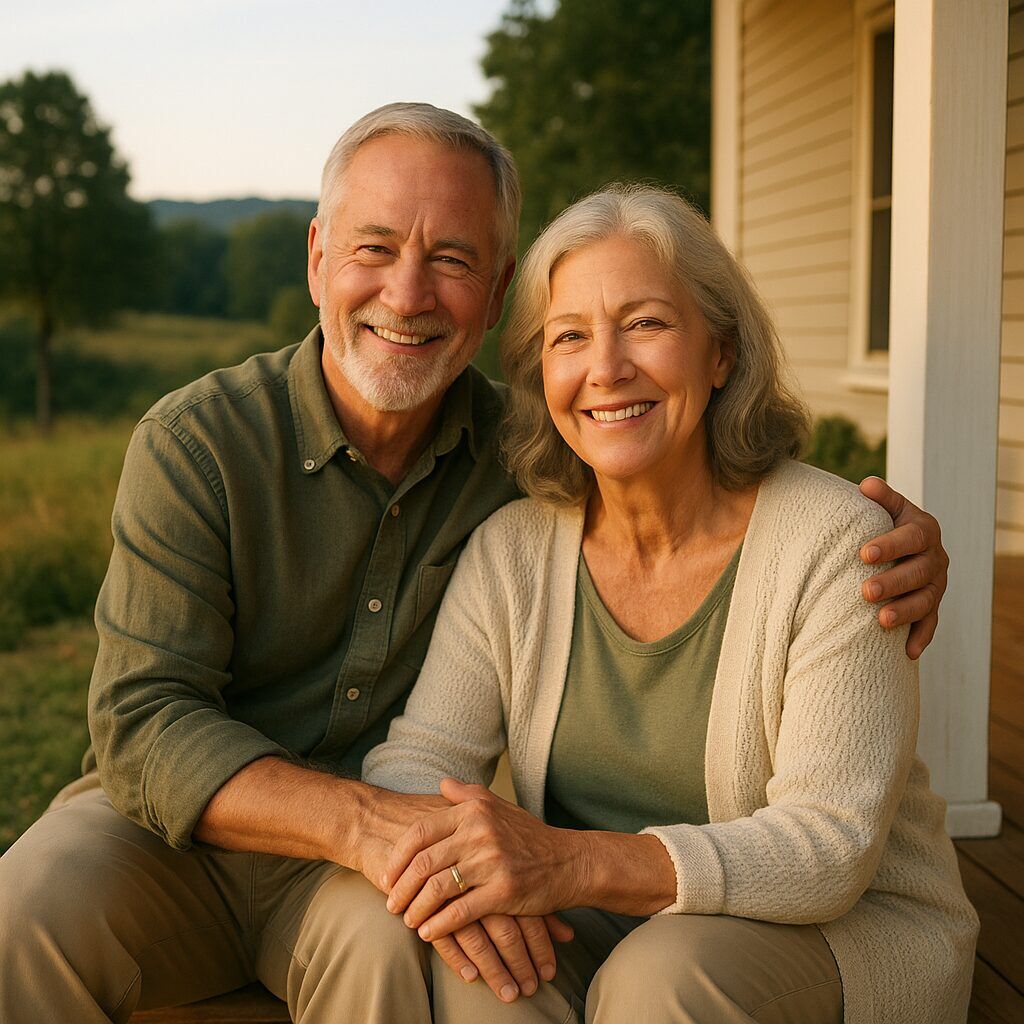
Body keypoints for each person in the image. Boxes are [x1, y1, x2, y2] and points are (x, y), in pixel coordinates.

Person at [0, 107, 950, 1023]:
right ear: (318, 258)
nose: (408, 295)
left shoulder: (536, 462)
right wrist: (381, 830)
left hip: (400, 866)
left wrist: (900, 547)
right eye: (374, 248)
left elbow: (733, 513)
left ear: (495, 300)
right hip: (203, 831)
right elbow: (142, 718)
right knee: (19, 915)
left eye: (452, 260)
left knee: (411, 949)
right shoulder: (205, 444)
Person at [361, 185, 978, 1024]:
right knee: (484, 964)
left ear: (720, 354)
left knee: (664, 975)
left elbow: (829, 848)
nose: (605, 368)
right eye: (568, 336)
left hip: (831, 930)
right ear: (542, 372)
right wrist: (473, 870)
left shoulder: (840, 545)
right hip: (591, 922)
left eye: (646, 323)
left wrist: (569, 864)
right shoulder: (512, 551)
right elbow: (415, 766)